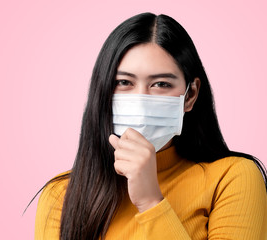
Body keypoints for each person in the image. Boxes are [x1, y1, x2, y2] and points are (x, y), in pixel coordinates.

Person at [34, 13, 267, 239]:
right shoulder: (61, 195)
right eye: (124, 82)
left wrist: (151, 201)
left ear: (190, 95)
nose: (141, 102)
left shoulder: (233, 177)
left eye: (161, 84)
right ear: (103, 91)